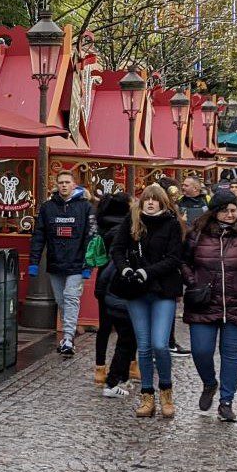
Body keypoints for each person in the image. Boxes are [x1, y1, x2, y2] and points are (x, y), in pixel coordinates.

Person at [181, 189, 237, 422]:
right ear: (215, 212)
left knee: (231, 355)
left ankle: (226, 401)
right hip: (204, 302)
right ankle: (209, 383)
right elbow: (184, 261)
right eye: (225, 210)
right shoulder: (197, 234)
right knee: (201, 350)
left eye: (233, 210)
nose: (231, 214)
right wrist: (192, 281)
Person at [110, 185, 186, 420]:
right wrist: (125, 269)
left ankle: (166, 390)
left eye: (155, 200)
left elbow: (175, 258)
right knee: (143, 346)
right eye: (147, 199)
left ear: (163, 203)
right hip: (136, 291)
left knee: (160, 344)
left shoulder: (172, 224)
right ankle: (146, 395)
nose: (150, 203)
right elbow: (117, 249)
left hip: (162, 290)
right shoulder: (132, 221)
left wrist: (148, 272)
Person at [29, 171, 94, 359]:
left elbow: (91, 237)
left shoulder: (85, 207)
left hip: (77, 262)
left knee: (71, 297)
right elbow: (39, 236)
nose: (64, 185)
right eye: (60, 182)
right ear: (56, 185)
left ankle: (67, 338)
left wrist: (88, 266)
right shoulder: (48, 207)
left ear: (74, 185)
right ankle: (69, 331)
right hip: (56, 262)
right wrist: (34, 262)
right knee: (61, 300)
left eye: (67, 182)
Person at [92, 192, 136, 398]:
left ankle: (100, 367)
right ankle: (124, 374)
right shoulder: (125, 228)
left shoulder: (103, 223)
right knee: (127, 332)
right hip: (118, 282)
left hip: (103, 280)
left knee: (104, 327)